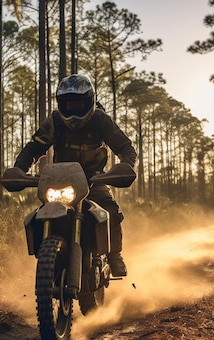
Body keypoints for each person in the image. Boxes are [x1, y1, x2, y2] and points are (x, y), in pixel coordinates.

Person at [13, 74, 137, 277]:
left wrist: (126, 166)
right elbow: (33, 148)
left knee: (111, 210)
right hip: (60, 179)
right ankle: (48, 257)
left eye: (79, 104)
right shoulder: (54, 122)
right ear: (62, 104)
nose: (74, 110)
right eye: (69, 105)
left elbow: (126, 148)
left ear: (89, 102)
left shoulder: (101, 120)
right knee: (39, 213)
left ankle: (114, 255)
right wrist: (20, 169)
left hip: (94, 179)